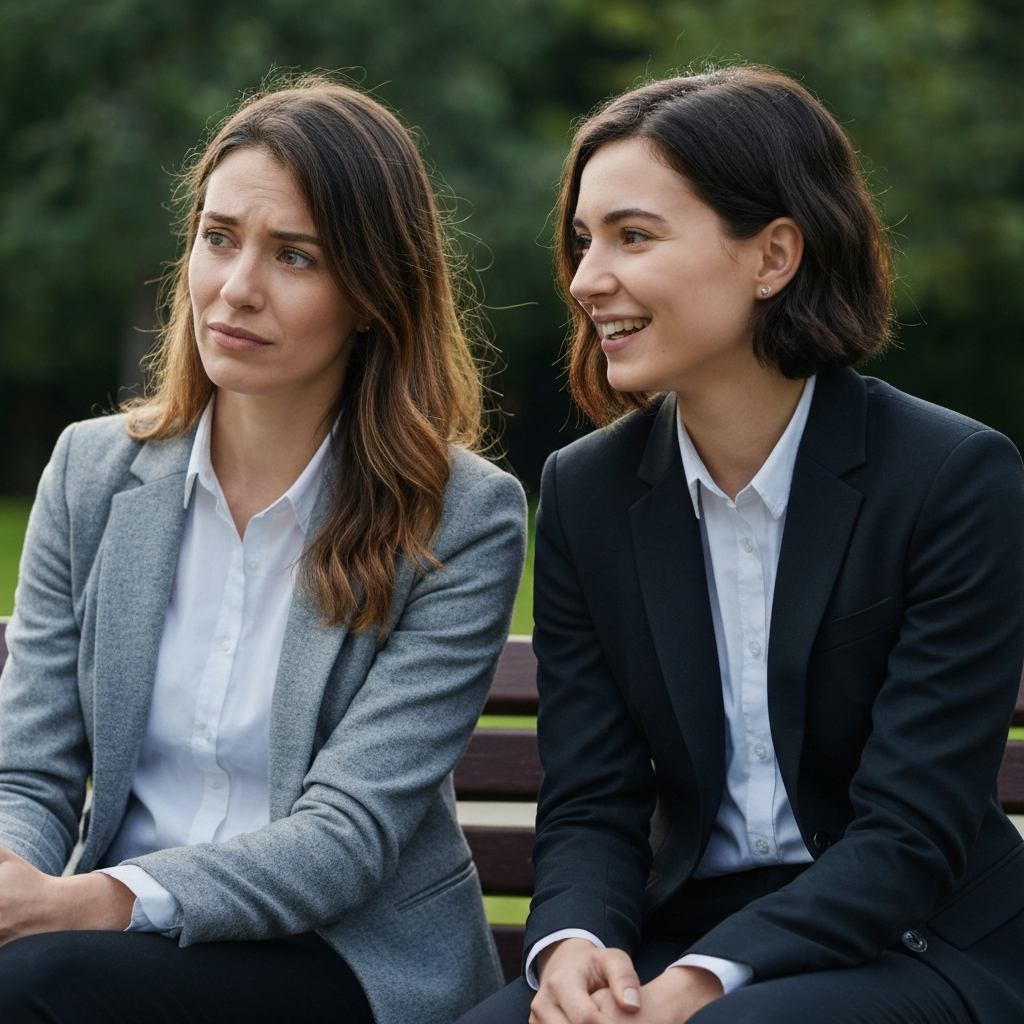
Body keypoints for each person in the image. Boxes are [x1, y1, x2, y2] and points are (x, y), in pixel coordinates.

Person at [457, 66, 1024, 1024]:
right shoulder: (587, 493)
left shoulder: (952, 478)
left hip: (918, 941)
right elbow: (592, 800)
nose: (588, 278)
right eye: (584, 240)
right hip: (676, 935)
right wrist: (574, 949)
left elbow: (908, 836)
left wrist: (704, 981)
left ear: (773, 256)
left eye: (634, 236)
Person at [0, 80, 526, 1024]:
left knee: (35, 989)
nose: (236, 289)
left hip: (338, 953)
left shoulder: (461, 518)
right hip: (105, 951)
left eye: (295, 256)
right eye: (218, 238)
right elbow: (32, 772)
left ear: (373, 295)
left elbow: (344, 840)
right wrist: (12, 880)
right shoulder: (93, 473)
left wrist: (86, 903)